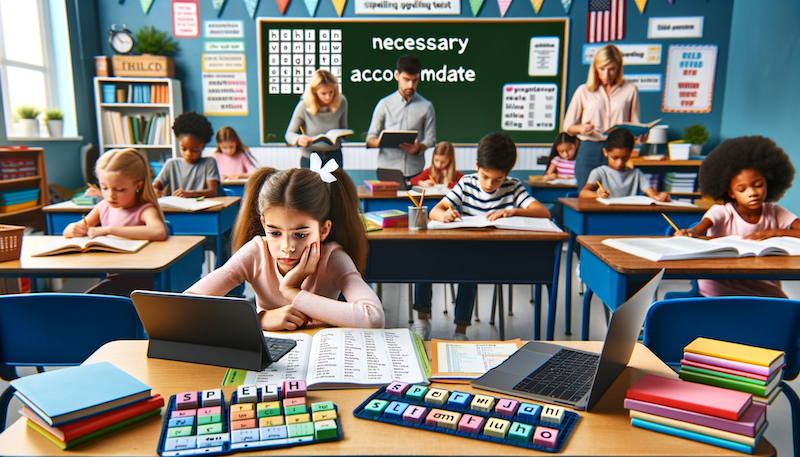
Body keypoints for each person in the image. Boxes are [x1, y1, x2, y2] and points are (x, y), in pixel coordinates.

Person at [186, 154, 384, 330]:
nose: (287, 247)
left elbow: (374, 318)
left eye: (300, 235)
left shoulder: (332, 258)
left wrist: (292, 292)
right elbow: (187, 305)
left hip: (323, 353)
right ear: (264, 224)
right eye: (275, 233)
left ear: (323, 230)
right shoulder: (256, 252)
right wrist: (259, 319)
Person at [413, 133, 550, 341]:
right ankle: (422, 320)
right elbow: (435, 211)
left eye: (497, 180)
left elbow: (543, 212)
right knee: (424, 262)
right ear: (477, 166)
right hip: (463, 251)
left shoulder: (513, 187)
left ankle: (460, 331)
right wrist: (445, 215)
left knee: (470, 271)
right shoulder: (466, 183)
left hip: (496, 256)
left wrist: (512, 211)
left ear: (507, 173)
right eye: (484, 176)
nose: (489, 184)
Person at [674, 136, 800, 298]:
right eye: (742, 189)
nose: (752, 193)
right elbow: (699, 228)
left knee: (783, 304)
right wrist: (690, 232)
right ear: (731, 193)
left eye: (758, 185)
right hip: (718, 280)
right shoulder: (722, 211)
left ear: (769, 182)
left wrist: (776, 232)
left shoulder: (774, 211)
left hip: (757, 279)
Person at [63, 148, 168, 296]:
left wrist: (109, 230)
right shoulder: (103, 207)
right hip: (115, 278)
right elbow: (71, 230)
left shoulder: (145, 209)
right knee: (85, 302)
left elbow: (159, 231)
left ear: (138, 186)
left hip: (144, 281)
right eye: (104, 188)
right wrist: (72, 228)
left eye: (119, 189)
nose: (110, 195)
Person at [563, 44, 644, 188]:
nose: (606, 74)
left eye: (612, 69)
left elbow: (635, 125)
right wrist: (581, 128)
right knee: (587, 195)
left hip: (616, 151)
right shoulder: (583, 91)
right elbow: (567, 126)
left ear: (619, 68)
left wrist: (641, 136)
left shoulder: (630, 90)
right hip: (589, 149)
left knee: (613, 194)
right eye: (602, 69)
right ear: (595, 68)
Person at [366, 54, 436, 179]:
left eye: (415, 80)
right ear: (397, 75)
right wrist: (378, 142)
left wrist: (419, 148)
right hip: (387, 170)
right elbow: (370, 137)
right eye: (406, 80)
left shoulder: (426, 106)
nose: (411, 85)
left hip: (415, 171)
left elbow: (430, 139)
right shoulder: (384, 104)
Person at [579, 128, 669, 201]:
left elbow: (653, 194)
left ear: (631, 153)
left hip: (629, 215)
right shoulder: (599, 172)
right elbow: (583, 193)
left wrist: (661, 196)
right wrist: (597, 194)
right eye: (615, 158)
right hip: (606, 214)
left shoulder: (637, 174)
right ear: (605, 152)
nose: (620, 163)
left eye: (625, 158)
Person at [285, 70, 348, 169]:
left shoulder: (341, 101)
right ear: (314, 91)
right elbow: (289, 134)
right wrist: (298, 139)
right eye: (323, 93)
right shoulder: (304, 105)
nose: (328, 97)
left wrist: (343, 134)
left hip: (334, 156)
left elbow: (343, 128)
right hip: (310, 157)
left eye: (331, 92)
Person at [154, 111, 220, 198]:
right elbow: (154, 186)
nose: (188, 154)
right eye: (183, 149)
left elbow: (212, 191)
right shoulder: (171, 164)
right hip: (176, 206)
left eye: (194, 150)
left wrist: (189, 194)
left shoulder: (209, 163)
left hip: (202, 206)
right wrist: (155, 191)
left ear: (203, 146)